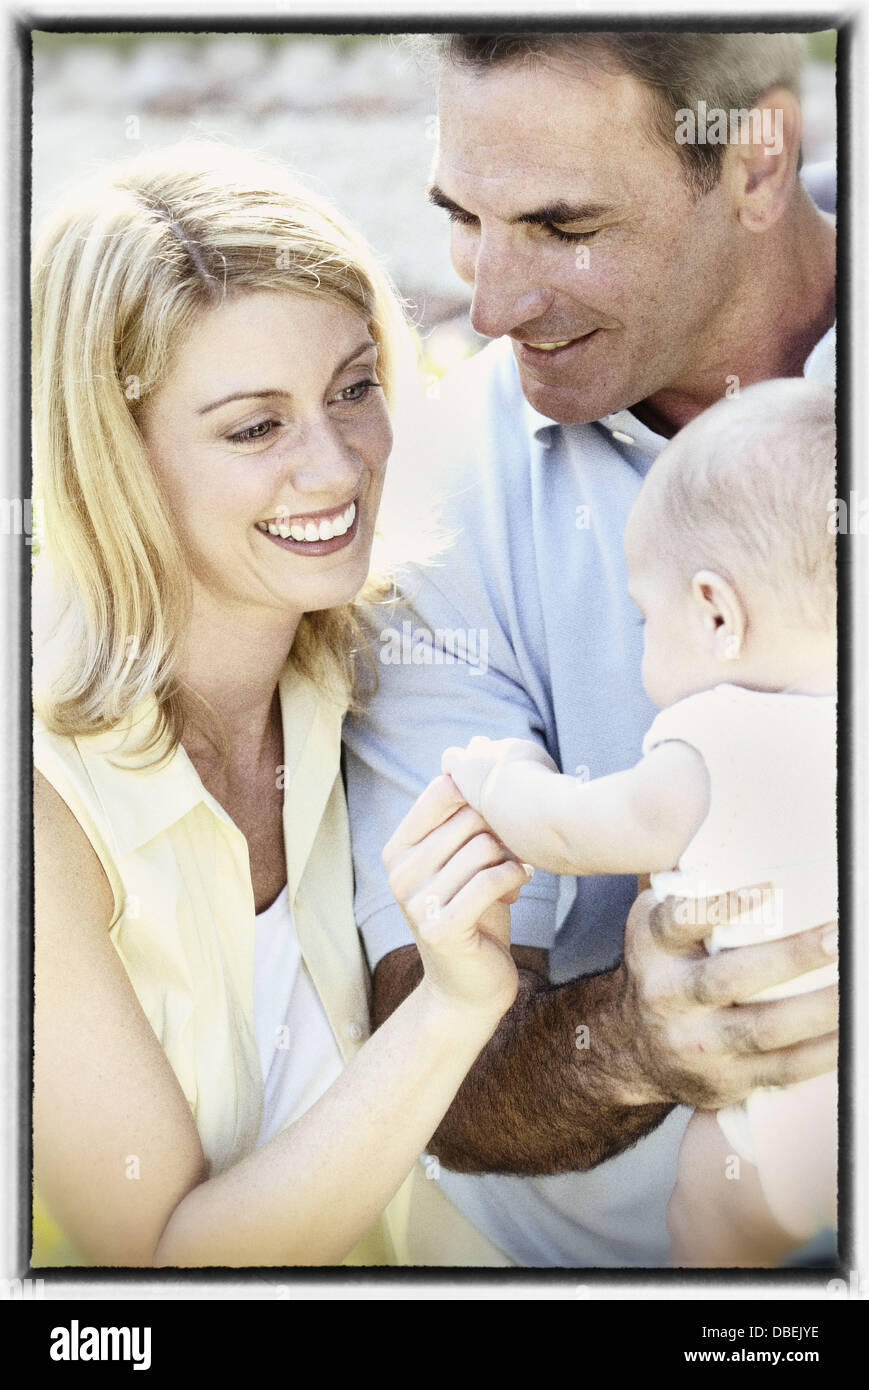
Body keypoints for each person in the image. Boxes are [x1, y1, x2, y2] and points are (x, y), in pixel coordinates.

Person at [343, 31, 839, 1266]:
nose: (492, 306)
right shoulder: (437, 500)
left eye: (564, 227)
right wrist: (630, 1039)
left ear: (755, 162)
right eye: (463, 215)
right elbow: (432, 1070)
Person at [30, 142, 531, 1268]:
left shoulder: (361, 657)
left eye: (355, 387)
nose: (337, 467)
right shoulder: (41, 800)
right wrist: (452, 1003)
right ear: (116, 458)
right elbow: (160, 1260)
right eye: (255, 427)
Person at [439, 378, 837, 1267]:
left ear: (716, 613)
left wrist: (500, 776)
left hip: (776, 1115)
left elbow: (578, 830)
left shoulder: (714, 741)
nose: (642, 644)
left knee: (708, 1211)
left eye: (644, 618)